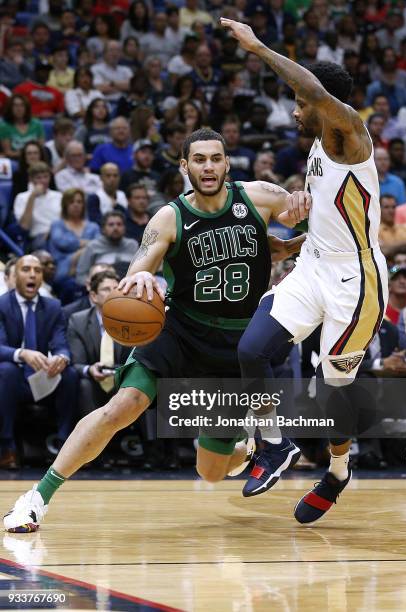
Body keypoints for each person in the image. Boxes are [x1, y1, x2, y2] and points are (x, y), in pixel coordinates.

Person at [3, 128, 309, 532]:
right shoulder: (169, 217)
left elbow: (304, 216)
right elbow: (134, 272)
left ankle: (250, 448)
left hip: (236, 345)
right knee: (121, 406)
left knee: (213, 471)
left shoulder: (259, 196)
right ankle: (36, 497)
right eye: (198, 159)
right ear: (185, 166)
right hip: (180, 331)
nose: (208, 166)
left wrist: (302, 209)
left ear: (226, 163)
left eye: (215, 158)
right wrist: (142, 281)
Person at [219, 18, 388, 522]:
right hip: (314, 264)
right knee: (252, 349)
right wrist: (289, 244)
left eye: (299, 104)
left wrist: (256, 46)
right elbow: (332, 217)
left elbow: (310, 88)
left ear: (323, 104)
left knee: (331, 395)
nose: (294, 112)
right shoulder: (318, 143)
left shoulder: (350, 135)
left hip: (355, 283)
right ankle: (274, 444)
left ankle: (337, 472)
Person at [0, 255, 78, 470]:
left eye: (38, 270)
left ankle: (65, 446)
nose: (33, 274)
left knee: (70, 373)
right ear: (14, 276)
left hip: (43, 378)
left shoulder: (53, 306)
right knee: (6, 370)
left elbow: (61, 343)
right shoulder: (2, 305)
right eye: (26, 269)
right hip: (14, 379)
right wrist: (22, 353)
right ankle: (7, 447)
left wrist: (61, 358)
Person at [68, 270, 131, 417]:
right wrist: (90, 369)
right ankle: (90, 437)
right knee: (84, 385)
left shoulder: (133, 319)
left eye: (116, 289)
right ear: (94, 296)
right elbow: (77, 363)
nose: (113, 292)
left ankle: (152, 440)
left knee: (141, 384)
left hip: (124, 380)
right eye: (106, 289)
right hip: (94, 382)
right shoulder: (78, 321)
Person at [49, 188, 100, 289]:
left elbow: (99, 247)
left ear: (83, 205)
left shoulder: (93, 226)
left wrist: (80, 252)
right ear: (65, 205)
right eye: (71, 202)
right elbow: (62, 243)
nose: (76, 205)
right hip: (63, 268)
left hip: (90, 268)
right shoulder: (57, 224)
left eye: (79, 202)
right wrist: (85, 245)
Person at [76, 211, 139, 286]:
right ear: (103, 229)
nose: (115, 228)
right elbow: (81, 276)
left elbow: (141, 270)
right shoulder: (92, 247)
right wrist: (94, 286)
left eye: (119, 224)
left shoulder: (132, 245)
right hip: (102, 289)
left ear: (124, 228)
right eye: (111, 225)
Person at [13, 162, 62, 250]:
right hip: (37, 238)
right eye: (38, 178)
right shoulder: (22, 198)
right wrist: (32, 197)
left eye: (46, 177)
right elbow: (24, 226)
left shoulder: (59, 196)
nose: (43, 181)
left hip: (60, 235)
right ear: (31, 179)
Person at [0, 94, 44, 159]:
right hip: (15, 160)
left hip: (36, 160)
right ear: (10, 108)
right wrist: (27, 155)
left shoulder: (37, 124)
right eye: (15, 106)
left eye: (22, 105)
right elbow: (8, 152)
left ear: (26, 107)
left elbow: (40, 148)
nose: (19, 109)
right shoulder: (4, 126)